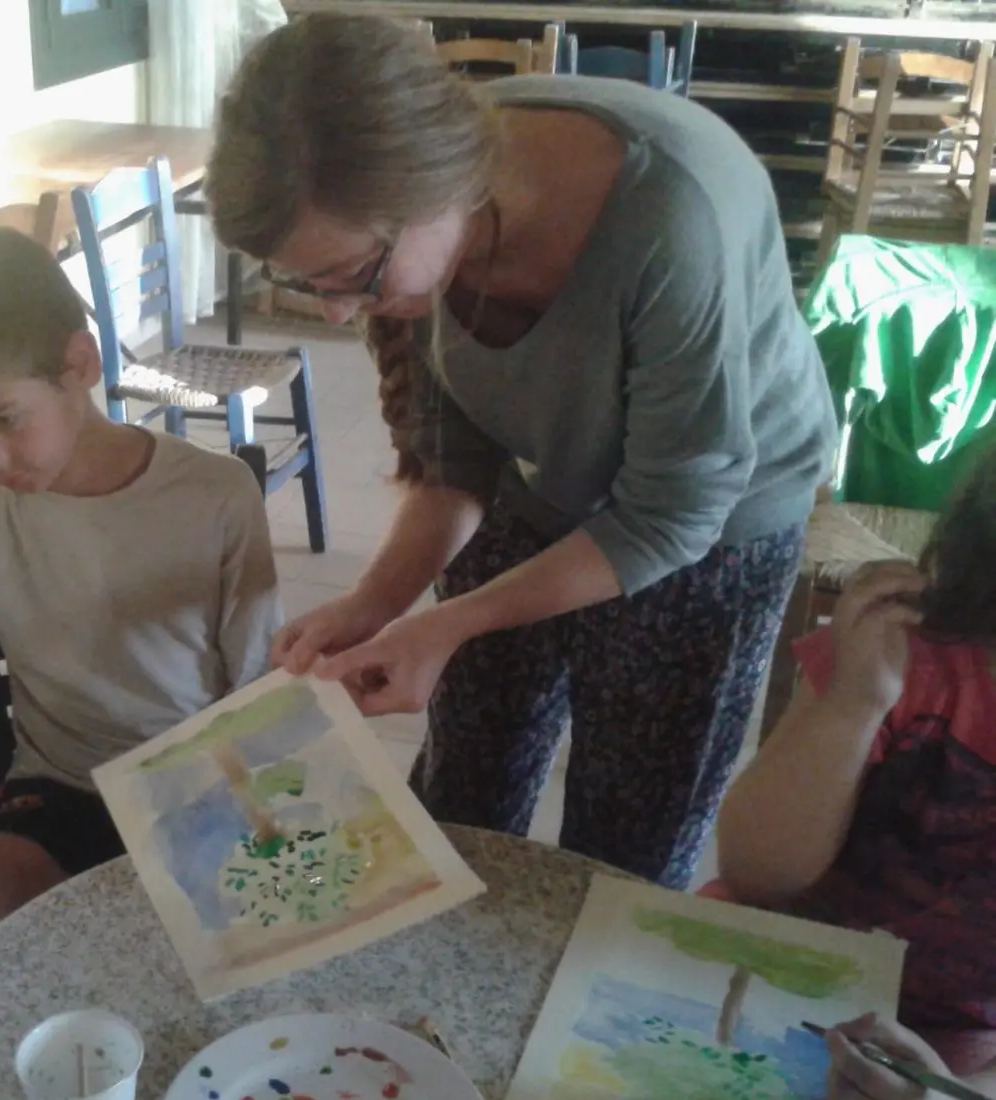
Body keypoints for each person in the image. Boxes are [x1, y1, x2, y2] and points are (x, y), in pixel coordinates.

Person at [204, 13, 837, 887]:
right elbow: (454, 466)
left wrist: (449, 622)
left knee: (629, 835)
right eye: (309, 281)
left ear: (436, 196)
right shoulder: (411, 214)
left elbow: (669, 517)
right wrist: (376, 604)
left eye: (352, 276)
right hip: (544, 477)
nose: (338, 312)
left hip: (714, 519)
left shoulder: (670, 216)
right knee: (465, 785)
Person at [0, 226, 282, 969]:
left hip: (207, 785)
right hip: (59, 793)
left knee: (286, 937)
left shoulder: (215, 495)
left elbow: (258, 685)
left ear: (79, 364)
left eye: (4, 419)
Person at [716, 453, 996, 1100]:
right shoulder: (910, 650)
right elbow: (757, 870)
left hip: (969, 1045)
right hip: (781, 956)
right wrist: (854, 702)